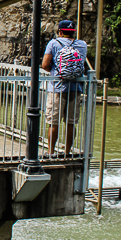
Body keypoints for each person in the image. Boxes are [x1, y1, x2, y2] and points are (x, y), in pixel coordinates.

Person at [41, 20, 88, 157]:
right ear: (73, 32)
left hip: (57, 87)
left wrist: (56, 72)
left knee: (53, 122)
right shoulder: (82, 45)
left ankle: (50, 152)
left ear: (60, 32)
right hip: (76, 87)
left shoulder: (54, 43)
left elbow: (44, 65)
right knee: (71, 122)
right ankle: (67, 152)